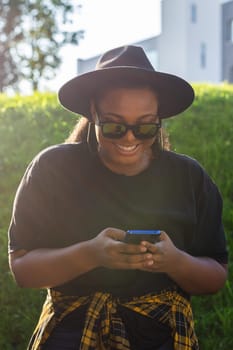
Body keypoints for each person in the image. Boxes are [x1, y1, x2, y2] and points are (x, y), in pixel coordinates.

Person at [8, 45, 228, 350]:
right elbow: (22, 268)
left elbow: (215, 277)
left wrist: (175, 262)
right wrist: (91, 254)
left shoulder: (189, 178)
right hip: (72, 332)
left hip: (161, 336)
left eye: (145, 126)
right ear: (93, 113)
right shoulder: (52, 169)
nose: (129, 138)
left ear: (159, 119)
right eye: (114, 126)